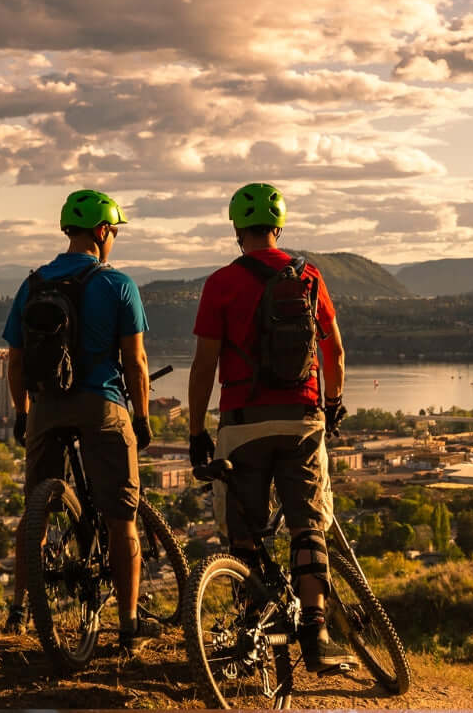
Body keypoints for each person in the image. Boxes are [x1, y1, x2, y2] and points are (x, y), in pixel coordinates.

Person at [187, 183, 355, 673]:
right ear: (279, 226)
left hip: (241, 423)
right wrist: (334, 403)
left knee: (244, 531)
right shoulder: (309, 278)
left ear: (237, 229)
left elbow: (203, 366)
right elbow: (335, 353)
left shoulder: (221, 282)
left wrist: (198, 429)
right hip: (302, 419)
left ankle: (250, 634)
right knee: (307, 524)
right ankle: (317, 635)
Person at [1, 189, 158, 655]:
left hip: (46, 408)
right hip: (102, 405)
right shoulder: (118, 285)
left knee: (36, 511)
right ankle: (128, 626)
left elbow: (15, 360)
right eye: (114, 232)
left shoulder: (33, 285)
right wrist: (143, 417)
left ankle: (17, 610)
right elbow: (136, 360)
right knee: (121, 519)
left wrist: (22, 413)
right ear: (103, 232)